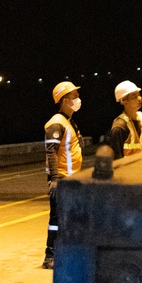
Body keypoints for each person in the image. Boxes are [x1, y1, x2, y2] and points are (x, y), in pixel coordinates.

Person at [43, 80, 82, 270]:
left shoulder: (68, 122)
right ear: (65, 100)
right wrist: (55, 178)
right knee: (57, 218)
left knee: (70, 218)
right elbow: (51, 151)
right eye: (74, 96)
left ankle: (65, 253)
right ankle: (50, 255)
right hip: (63, 179)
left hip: (72, 178)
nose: (78, 99)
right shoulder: (56, 123)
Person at [108, 80, 142, 160]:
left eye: (139, 95)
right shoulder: (119, 126)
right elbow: (116, 158)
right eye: (134, 96)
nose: (139, 98)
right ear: (123, 101)